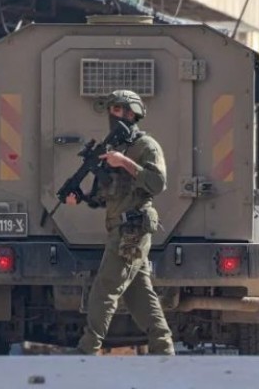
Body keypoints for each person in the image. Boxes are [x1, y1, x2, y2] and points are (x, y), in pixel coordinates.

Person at [65, 89, 175, 356]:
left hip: (132, 228)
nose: (114, 115)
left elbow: (157, 183)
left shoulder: (145, 146)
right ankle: (163, 349)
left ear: (131, 113)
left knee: (104, 288)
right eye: (112, 110)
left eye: (119, 110)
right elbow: (108, 195)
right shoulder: (114, 148)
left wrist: (125, 162)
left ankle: (87, 349)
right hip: (119, 227)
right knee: (139, 295)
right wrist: (81, 197)